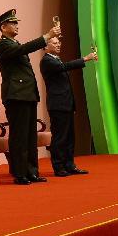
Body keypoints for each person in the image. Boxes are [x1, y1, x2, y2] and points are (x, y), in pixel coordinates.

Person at [0, 9, 60, 185]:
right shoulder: (3, 44)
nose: (17, 26)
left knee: (30, 136)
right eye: (13, 23)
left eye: (17, 23)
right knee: (19, 136)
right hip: (16, 95)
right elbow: (23, 49)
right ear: (3, 27)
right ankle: (20, 173)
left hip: (27, 94)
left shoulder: (14, 43)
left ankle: (32, 171)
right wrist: (47, 36)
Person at [40, 37, 97, 177]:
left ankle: (70, 165)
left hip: (66, 104)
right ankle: (59, 166)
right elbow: (64, 67)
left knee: (70, 137)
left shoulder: (56, 59)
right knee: (60, 137)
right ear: (45, 47)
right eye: (54, 43)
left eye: (59, 42)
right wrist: (85, 58)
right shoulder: (47, 61)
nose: (58, 44)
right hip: (57, 105)